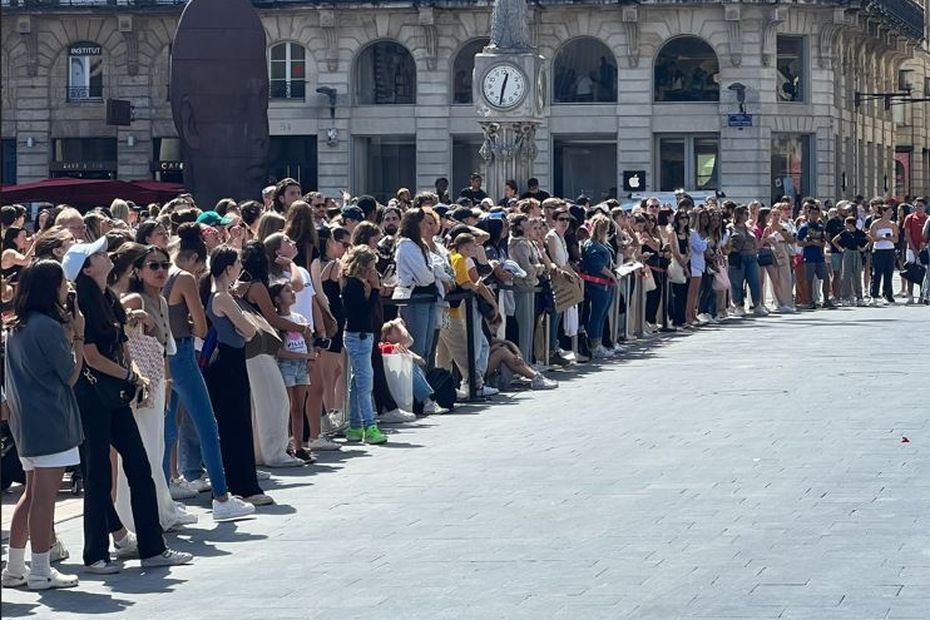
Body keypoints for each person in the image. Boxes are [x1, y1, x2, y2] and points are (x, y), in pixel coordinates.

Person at [64, 237, 192, 573]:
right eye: (100, 255)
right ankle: (96, 554)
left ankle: (151, 547)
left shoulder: (107, 297)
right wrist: (131, 376)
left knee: (139, 465)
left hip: (115, 391)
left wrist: (132, 373)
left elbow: (120, 345)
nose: (108, 257)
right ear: (87, 268)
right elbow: (90, 356)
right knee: (98, 474)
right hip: (93, 394)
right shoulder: (84, 303)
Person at [162, 224, 255, 520]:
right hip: (184, 353)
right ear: (196, 260)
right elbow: (202, 327)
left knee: (167, 431)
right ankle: (221, 497)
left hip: (163, 356)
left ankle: (165, 500)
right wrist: (190, 324)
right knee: (207, 426)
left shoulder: (157, 278)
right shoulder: (184, 278)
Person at [2, 260, 83, 590]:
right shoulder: (46, 327)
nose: (67, 289)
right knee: (43, 499)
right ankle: (39, 571)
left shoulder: (16, 327)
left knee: (31, 493)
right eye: (63, 283)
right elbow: (71, 375)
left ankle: (15, 567)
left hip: (27, 423)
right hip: (50, 420)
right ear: (51, 289)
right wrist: (78, 334)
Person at [202, 245, 273, 506]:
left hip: (226, 361)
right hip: (228, 362)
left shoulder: (217, 293)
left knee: (233, 424)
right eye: (237, 265)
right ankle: (244, 485)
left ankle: (237, 483)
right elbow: (249, 330)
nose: (240, 269)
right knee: (237, 423)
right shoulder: (221, 296)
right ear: (228, 268)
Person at [340, 246, 388, 445]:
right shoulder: (354, 285)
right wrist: (375, 290)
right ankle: (369, 426)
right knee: (365, 382)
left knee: (356, 381)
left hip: (361, 334)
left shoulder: (356, 284)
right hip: (358, 335)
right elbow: (362, 312)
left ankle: (355, 425)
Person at [269, 282, 316, 461]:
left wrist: (310, 356)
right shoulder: (277, 322)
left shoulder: (299, 319)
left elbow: (308, 341)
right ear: (277, 299)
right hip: (286, 365)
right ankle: (286, 444)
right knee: (286, 407)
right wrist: (302, 357)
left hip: (301, 366)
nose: (292, 294)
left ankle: (299, 445)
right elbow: (278, 350)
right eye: (287, 291)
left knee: (298, 407)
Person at [394, 209, 440, 361]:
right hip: (415, 299)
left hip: (429, 297)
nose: (427, 226)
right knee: (417, 347)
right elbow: (425, 277)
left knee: (428, 347)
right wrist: (433, 272)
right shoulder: (406, 245)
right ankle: (414, 383)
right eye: (423, 222)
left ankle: (426, 380)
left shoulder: (420, 244)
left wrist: (433, 272)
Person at [580, 214, 617, 359]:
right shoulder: (591, 244)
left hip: (606, 284)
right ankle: (594, 344)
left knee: (602, 314)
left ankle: (599, 342)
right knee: (596, 314)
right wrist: (611, 274)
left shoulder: (603, 243)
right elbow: (597, 265)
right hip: (597, 284)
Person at [867, 204, 899, 305]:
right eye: (889, 212)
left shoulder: (893, 224)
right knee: (876, 273)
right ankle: (874, 295)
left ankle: (888, 294)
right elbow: (871, 238)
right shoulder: (875, 223)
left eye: (891, 212)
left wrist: (890, 238)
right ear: (883, 212)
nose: (891, 214)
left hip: (889, 250)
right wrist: (881, 237)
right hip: (879, 250)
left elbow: (896, 239)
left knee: (888, 273)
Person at [832, 216, 868, 305]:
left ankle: (859, 296)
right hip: (847, 253)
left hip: (856, 253)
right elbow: (834, 241)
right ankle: (845, 297)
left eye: (846, 223)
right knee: (846, 275)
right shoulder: (844, 233)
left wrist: (864, 248)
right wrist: (840, 248)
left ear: (851, 224)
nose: (845, 225)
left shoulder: (859, 232)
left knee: (857, 275)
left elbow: (870, 239)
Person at [902, 198, 927, 304]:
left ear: (924, 207)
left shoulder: (928, 219)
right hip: (911, 249)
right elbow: (907, 235)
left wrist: (923, 247)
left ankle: (922, 295)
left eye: (920, 206)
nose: (918, 208)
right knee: (910, 271)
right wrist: (914, 249)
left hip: (924, 249)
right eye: (916, 206)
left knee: (923, 272)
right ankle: (910, 295)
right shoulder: (910, 218)